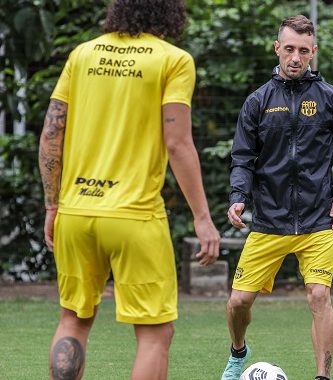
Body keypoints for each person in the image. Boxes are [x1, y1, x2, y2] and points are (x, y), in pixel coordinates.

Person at [38, 1, 221, 379]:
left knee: (72, 320)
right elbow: (178, 144)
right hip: (135, 218)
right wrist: (203, 218)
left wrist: (52, 205)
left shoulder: (82, 54)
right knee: (155, 333)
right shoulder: (173, 60)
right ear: (170, 11)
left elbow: (52, 132)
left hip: (76, 211)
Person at [222, 15, 333, 380]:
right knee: (238, 302)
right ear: (277, 48)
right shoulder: (257, 101)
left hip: (319, 220)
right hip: (269, 220)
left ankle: (322, 376)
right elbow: (242, 157)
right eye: (289, 49)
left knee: (319, 296)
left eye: (304, 50)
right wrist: (239, 196)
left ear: (313, 52)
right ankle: (239, 352)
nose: (296, 57)